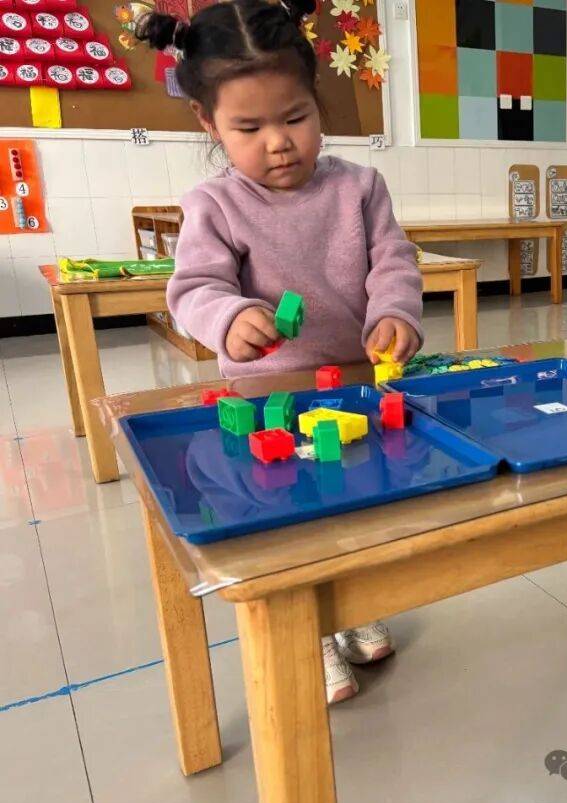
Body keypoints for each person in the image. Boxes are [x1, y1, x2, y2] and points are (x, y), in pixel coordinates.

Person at [136, 0, 423, 703]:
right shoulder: (215, 205)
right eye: (249, 128)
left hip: (352, 383)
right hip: (265, 397)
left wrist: (394, 312)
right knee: (284, 514)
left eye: (295, 118)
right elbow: (194, 288)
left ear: (316, 102)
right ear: (208, 123)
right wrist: (230, 316)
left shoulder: (359, 187)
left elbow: (393, 262)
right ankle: (310, 634)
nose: (279, 143)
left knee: (354, 501)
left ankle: (348, 606)